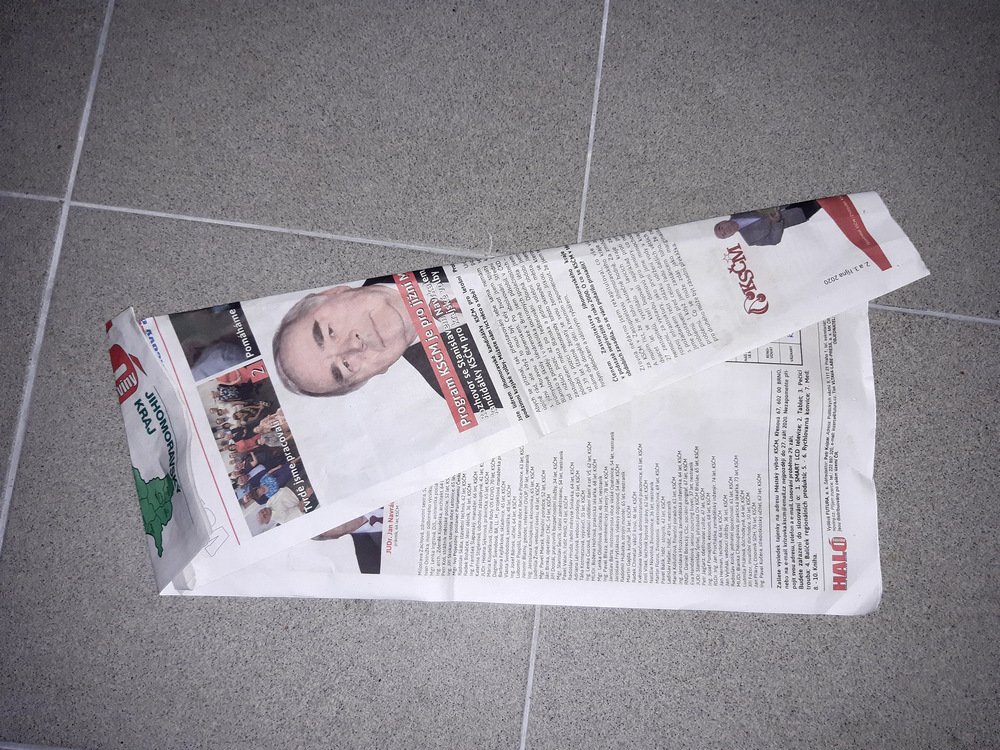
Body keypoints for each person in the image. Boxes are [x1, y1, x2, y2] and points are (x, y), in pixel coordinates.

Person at [272, 278, 449, 398]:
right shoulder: (455, 387)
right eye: (346, 365)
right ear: (377, 371)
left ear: (334, 292)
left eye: (330, 331)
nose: (353, 345)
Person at [713, 200, 822, 246]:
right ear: (729, 236)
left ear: (722, 221)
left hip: (790, 198)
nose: (725, 230)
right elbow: (774, 240)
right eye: (724, 234)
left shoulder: (737, 210)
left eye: (720, 228)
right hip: (797, 215)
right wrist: (776, 222)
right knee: (823, 202)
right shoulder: (750, 239)